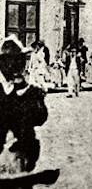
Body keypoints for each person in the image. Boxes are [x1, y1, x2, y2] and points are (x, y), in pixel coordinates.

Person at [0, 35, 47, 172]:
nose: (18, 65)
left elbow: (40, 118)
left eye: (20, 60)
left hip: (23, 157)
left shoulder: (28, 91)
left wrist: (32, 96)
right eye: (13, 60)